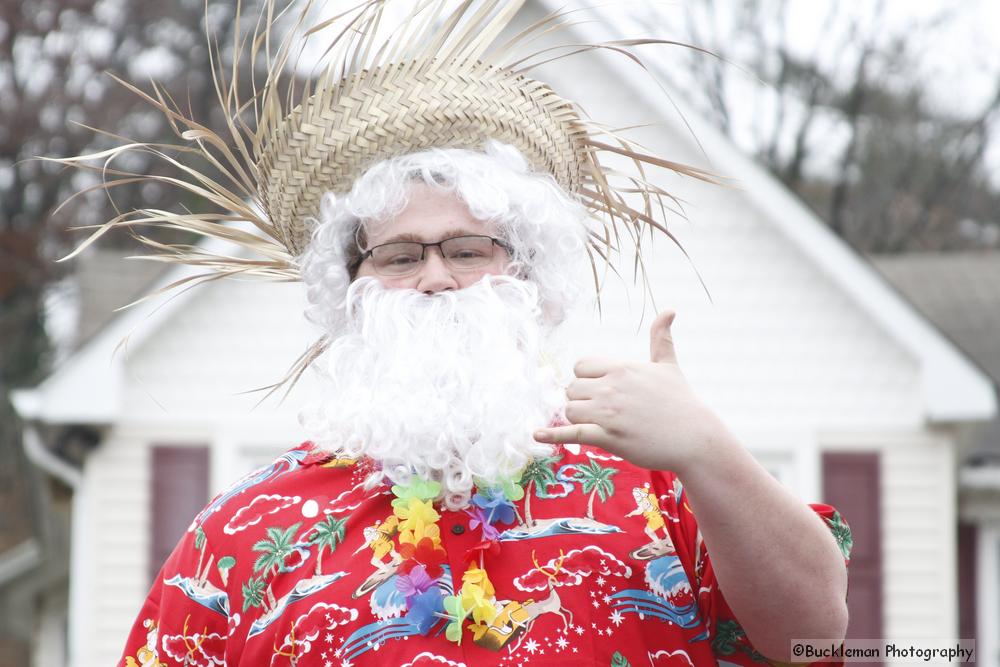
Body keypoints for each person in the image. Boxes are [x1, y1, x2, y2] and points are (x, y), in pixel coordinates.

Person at [52, 1, 850, 665]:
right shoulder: (238, 533)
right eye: (398, 255)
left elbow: (817, 635)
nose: (435, 277)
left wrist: (708, 450)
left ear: (529, 276)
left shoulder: (661, 488)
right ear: (350, 291)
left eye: (470, 249)